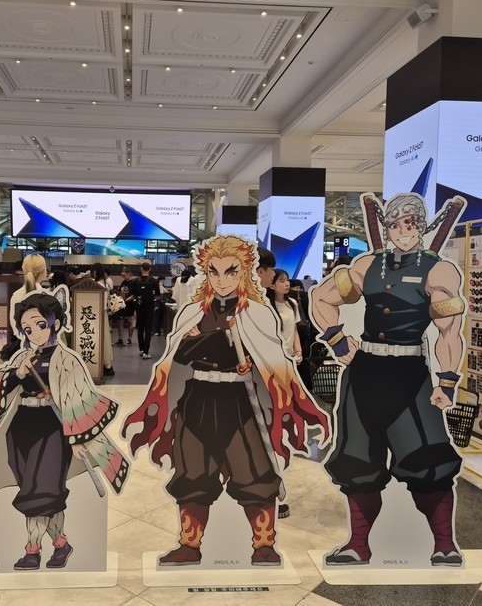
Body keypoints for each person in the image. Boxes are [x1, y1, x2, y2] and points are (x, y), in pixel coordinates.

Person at [123, 235, 330, 566]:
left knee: (254, 469)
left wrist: (206, 343)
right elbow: (180, 355)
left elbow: (270, 361)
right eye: (214, 272)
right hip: (197, 397)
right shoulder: (192, 311)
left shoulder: (258, 314)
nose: (221, 280)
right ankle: (189, 545)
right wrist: (218, 342)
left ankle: (264, 544)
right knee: (192, 470)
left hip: (240, 399)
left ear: (244, 271)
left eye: (230, 271)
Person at [310, 193, 466, 567]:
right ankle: (357, 545)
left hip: (410, 376)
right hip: (364, 373)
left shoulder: (439, 271)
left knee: (429, 461)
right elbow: (321, 298)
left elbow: (449, 331)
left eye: (410, 224)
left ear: (423, 226)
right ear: (386, 227)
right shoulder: (367, 265)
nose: (402, 231)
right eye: (395, 224)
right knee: (357, 461)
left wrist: (446, 381)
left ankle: (445, 544)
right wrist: (337, 339)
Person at [0, 289, 129, 570]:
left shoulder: (68, 359)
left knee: (40, 492)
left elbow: (79, 398)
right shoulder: (23, 357)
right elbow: (0, 386)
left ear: (55, 323)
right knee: (41, 492)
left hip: (54, 431)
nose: (34, 333)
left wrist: (77, 438)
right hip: (21, 429)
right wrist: (17, 373)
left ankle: (32, 550)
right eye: (27, 328)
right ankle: (61, 544)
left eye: (40, 324)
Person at [267, 269, 302, 364]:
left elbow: (294, 330)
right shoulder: (267, 306)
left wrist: (298, 351)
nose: (287, 284)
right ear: (272, 286)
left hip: (290, 355)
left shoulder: (293, 303)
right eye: (282, 281)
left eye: (287, 280)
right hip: (273, 357)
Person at [91, 263, 115, 376]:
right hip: (102, 313)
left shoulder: (97, 284)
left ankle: (105, 365)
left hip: (98, 314)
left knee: (101, 339)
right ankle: (107, 365)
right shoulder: (104, 283)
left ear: (95, 272)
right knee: (104, 338)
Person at [132, 262, 160, 359]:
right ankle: (146, 352)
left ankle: (141, 349)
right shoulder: (154, 281)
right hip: (149, 307)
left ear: (141, 269)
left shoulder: (135, 281)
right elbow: (158, 295)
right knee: (148, 329)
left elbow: (133, 295)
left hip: (139, 307)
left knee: (140, 328)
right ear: (150, 269)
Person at [113, 268, 136, 346]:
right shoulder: (123, 282)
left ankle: (129, 338)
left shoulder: (133, 283)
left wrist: (125, 300)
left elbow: (133, 295)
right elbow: (120, 292)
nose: (123, 277)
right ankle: (120, 339)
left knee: (130, 321)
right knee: (120, 321)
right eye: (122, 276)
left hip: (130, 304)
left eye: (124, 275)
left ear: (129, 274)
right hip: (122, 304)